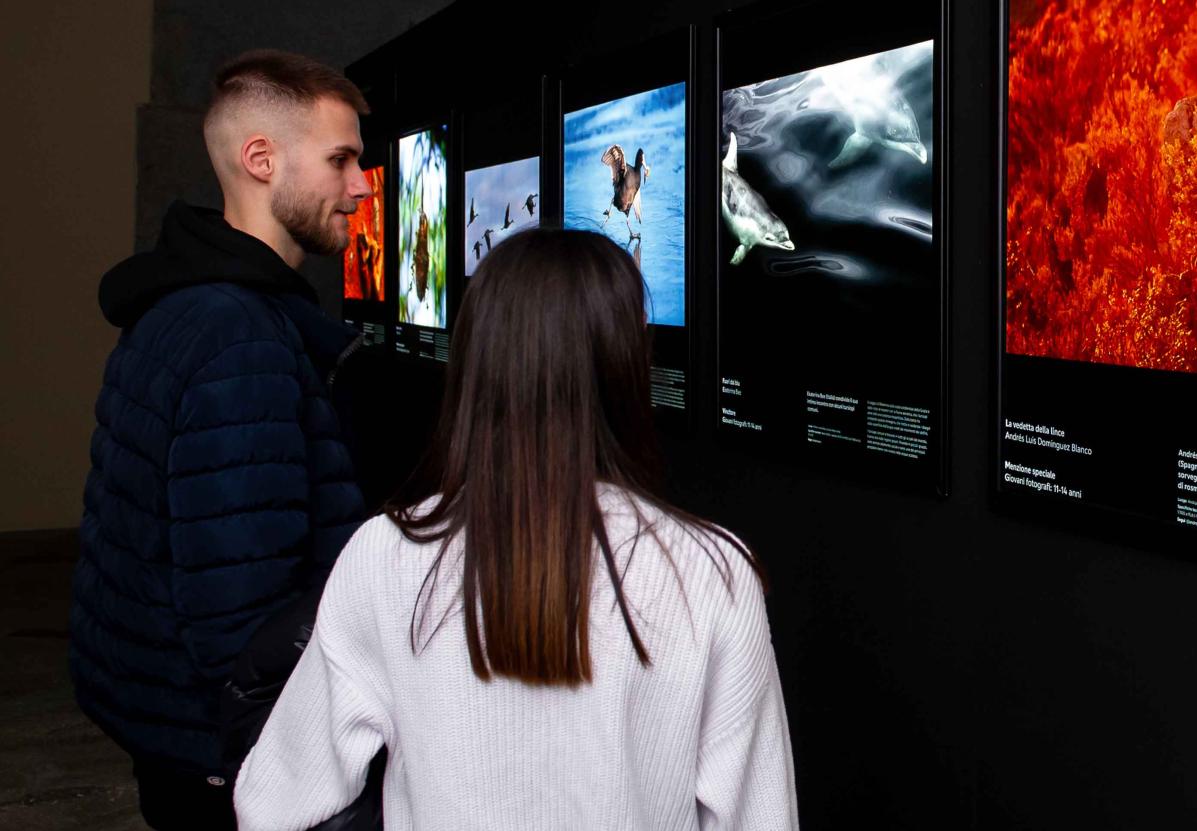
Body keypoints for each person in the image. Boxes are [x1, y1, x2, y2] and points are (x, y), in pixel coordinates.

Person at [234, 229, 799, 830]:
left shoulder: (386, 553)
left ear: (476, 360)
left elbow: (275, 803)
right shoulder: (713, 573)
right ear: (631, 359)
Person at [69, 49, 375, 830]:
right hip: (217, 753)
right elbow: (239, 623)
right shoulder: (238, 337)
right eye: (341, 160)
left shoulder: (184, 304)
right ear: (261, 159)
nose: (361, 186)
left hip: (165, 727)